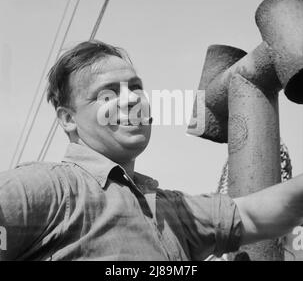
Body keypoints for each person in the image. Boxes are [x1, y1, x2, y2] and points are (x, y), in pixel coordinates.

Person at [0, 40, 302, 261]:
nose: (132, 100)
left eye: (135, 87)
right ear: (68, 119)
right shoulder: (51, 189)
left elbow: (254, 216)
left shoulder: (172, 209)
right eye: (108, 94)